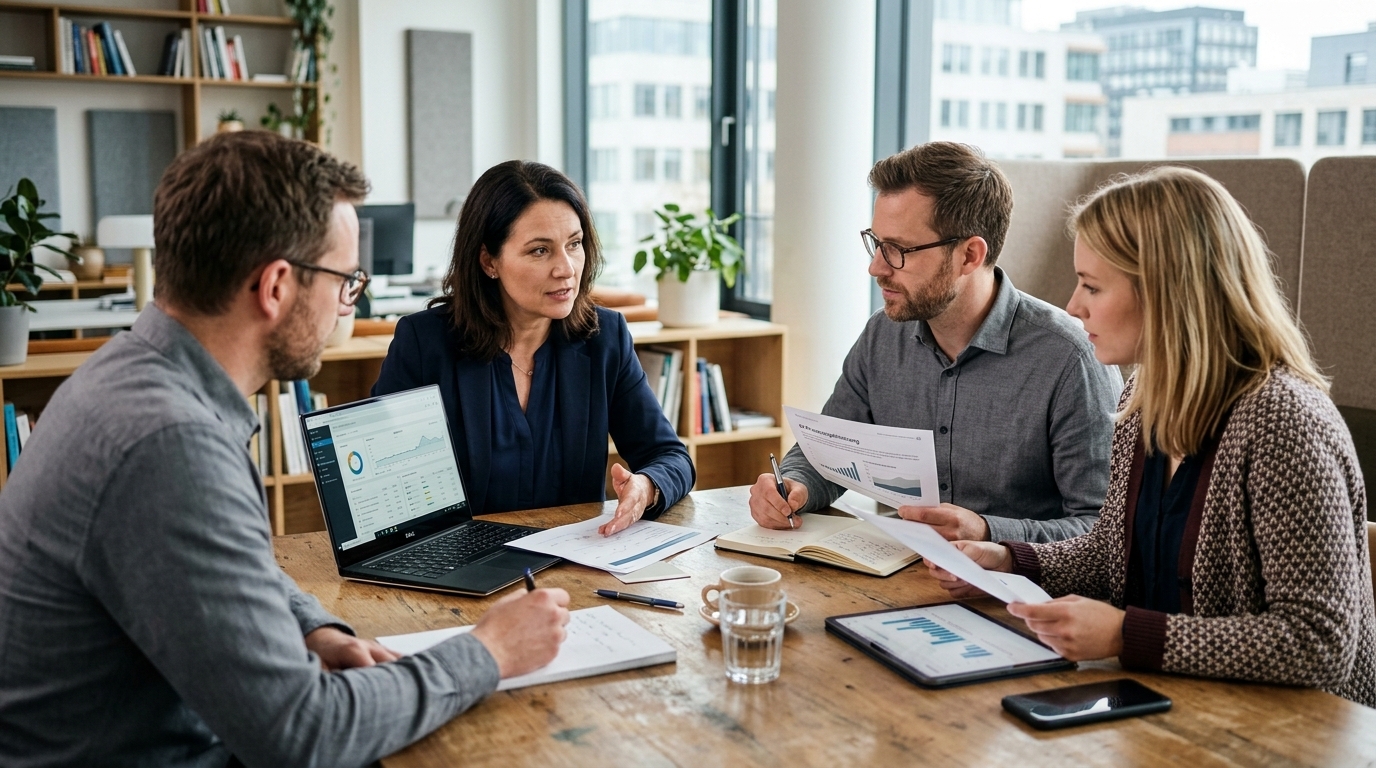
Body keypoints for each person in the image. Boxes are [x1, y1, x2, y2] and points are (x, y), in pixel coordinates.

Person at [0, 131, 573, 767]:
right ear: (276, 287)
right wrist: (487, 652)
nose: (344, 306)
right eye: (345, 281)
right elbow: (303, 737)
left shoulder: (136, 374)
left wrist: (312, 625)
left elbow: (229, 568)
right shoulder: (171, 444)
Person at [929, 166, 1376, 705]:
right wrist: (1006, 558)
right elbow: (1111, 558)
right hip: (1172, 703)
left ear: (1169, 294)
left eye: (1093, 286)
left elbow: (1319, 642)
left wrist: (1124, 634)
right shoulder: (1143, 398)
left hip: (1288, 729)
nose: (1074, 306)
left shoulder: (1285, 424)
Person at [750, 142, 1121, 543]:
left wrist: (987, 532)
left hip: (1017, 596)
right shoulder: (882, 336)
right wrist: (793, 487)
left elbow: (1103, 532)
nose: (876, 267)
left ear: (969, 256)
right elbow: (829, 454)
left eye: (898, 250)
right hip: (899, 577)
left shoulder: (1070, 359)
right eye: (877, 243)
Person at [371, 160, 694, 536]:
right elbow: (384, 484)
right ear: (489, 261)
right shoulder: (424, 343)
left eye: (574, 244)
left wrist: (647, 486)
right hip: (460, 563)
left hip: (573, 564)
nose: (566, 269)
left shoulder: (605, 337)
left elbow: (670, 457)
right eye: (540, 251)